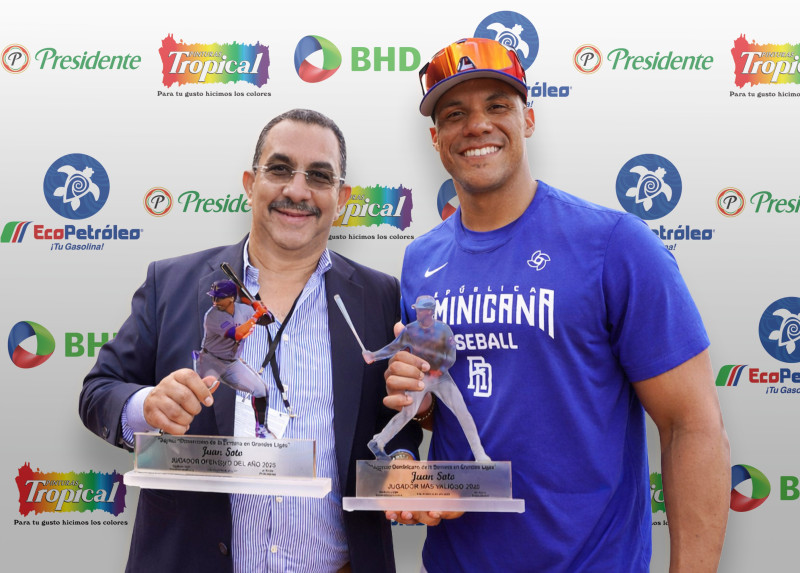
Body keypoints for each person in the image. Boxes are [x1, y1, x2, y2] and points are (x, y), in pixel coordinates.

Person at [382, 38, 730, 572]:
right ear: (436, 138)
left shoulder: (614, 243)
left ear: (529, 119)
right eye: (455, 113)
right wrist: (421, 403)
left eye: (497, 106)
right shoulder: (421, 259)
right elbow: (462, 402)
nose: (476, 125)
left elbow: (692, 425)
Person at [78, 108, 421, 573]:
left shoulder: (380, 296)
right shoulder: (173, 282)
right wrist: (147, 406)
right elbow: (99, 390)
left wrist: (400, 462)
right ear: (249, 182)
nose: (297, 190)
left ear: (339, 197)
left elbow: (392, 421)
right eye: (279, 169)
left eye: (319, 177)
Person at [363, 295, 488, 462]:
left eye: (421, 310)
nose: (418, 313)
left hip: (441, 377)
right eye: (417, 310)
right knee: (407, 413)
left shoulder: (444, 330)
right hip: (420, 378)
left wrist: (440, 370)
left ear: (430, 311)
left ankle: (480, 454)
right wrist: (374, 355)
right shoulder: (410, 330)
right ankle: (378, 442)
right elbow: (393, 347)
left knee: (463, 413)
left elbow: (451, 356)